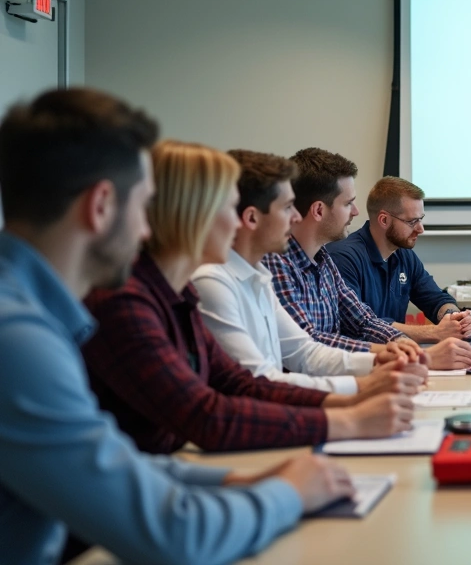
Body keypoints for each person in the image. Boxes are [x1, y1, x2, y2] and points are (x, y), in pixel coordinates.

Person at [0, 88, 353, 564]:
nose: (148, 230)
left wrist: (240, 481)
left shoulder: (36, 312)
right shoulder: (18, 338)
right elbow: (177, 535)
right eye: (143, 206)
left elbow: (126, 464)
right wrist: (290, 493)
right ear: (101, 206)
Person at [82, 140, 423, 454]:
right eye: (230, 208)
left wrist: (363, 387)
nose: (238, 223)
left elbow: (241, 382)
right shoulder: (136, 299)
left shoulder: (180, 291)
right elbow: (206, 415)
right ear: (193, 215)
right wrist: (351, 414)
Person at [194, 150, 425, 393]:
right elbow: (260, 382)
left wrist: (386, 357)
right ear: (251, 217)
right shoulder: (216, 280)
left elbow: (305, 350)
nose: (296, 216)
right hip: (282, 404)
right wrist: (363, 386)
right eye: (287, 207)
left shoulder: (261, 271)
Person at [265, 148, 471, 370]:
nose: (356, 211)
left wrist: (406, 346)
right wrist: (421, 356)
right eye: (348, 203)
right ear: (318, 210)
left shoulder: (323, 259)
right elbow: (310, 344)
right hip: (307, 385)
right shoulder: (279, 264)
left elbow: (363, 322)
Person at [327, 175, 471, 342]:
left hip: (397, 353)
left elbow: (435, 298)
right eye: (412, 221)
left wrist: (453, 317)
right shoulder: (342, 258)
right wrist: (435, 332)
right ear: (384, 220)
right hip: (362, 355)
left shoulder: (403, 254)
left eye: (421, 219)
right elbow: (361, 325)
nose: (420, 229)